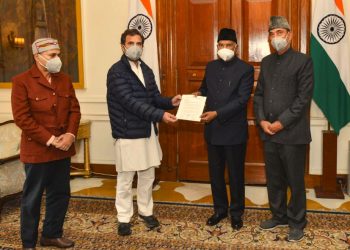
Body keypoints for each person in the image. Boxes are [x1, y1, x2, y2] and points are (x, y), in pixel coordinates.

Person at [106, 29, 181, 236]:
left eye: (139, 43)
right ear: (122, 46)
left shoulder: (146, 69)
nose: (135, 47)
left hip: (147, 131)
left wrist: (170, 102)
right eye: (131, 43)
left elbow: (154, 97)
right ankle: (123, 217)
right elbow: (131, 103)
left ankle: (146, 212)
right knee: (126, 179)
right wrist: (161, 115)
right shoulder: (116, 72)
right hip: (128, 133)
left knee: (148, 175)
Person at [11, 38, 81, 249]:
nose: (57, 59)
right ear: (37, 57)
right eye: (52, 55)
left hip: (63, 150)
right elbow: (22, 118)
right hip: (38, 150)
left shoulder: (65, 80)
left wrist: (70, 134)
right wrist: (50, 140)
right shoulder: (21, 81)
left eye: (58, 54)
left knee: (60, 195)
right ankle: (29, 243)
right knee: (32, 199)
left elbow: (74, 110)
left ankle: (51, 234)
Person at [253, 16, 314, 242]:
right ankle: (278, 215)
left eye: (280, 32)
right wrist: (261, 121)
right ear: (269, 37)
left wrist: (281, 122)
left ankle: (297, 221)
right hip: (268, 133)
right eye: (272, 33)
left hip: (292, 133)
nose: (276, 37)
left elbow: (302, 99)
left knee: (295, 181)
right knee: (274, 178)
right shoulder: (267, 62)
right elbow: (259, 95)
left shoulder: (303, 61)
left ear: (289, 34)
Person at [193, 28, 254, 230]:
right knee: (216, 174)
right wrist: (197, 94)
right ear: (217, 46)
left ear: (236, 47)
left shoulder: (246, 69)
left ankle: (236, 212)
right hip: (213, 131)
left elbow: (242, 99)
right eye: (221, 45)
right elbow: (204, 89)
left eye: (229, 45)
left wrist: (217, 113)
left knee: (236, 175)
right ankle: (220, 210)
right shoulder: (210, 66)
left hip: (234, 131)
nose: (225, 48)